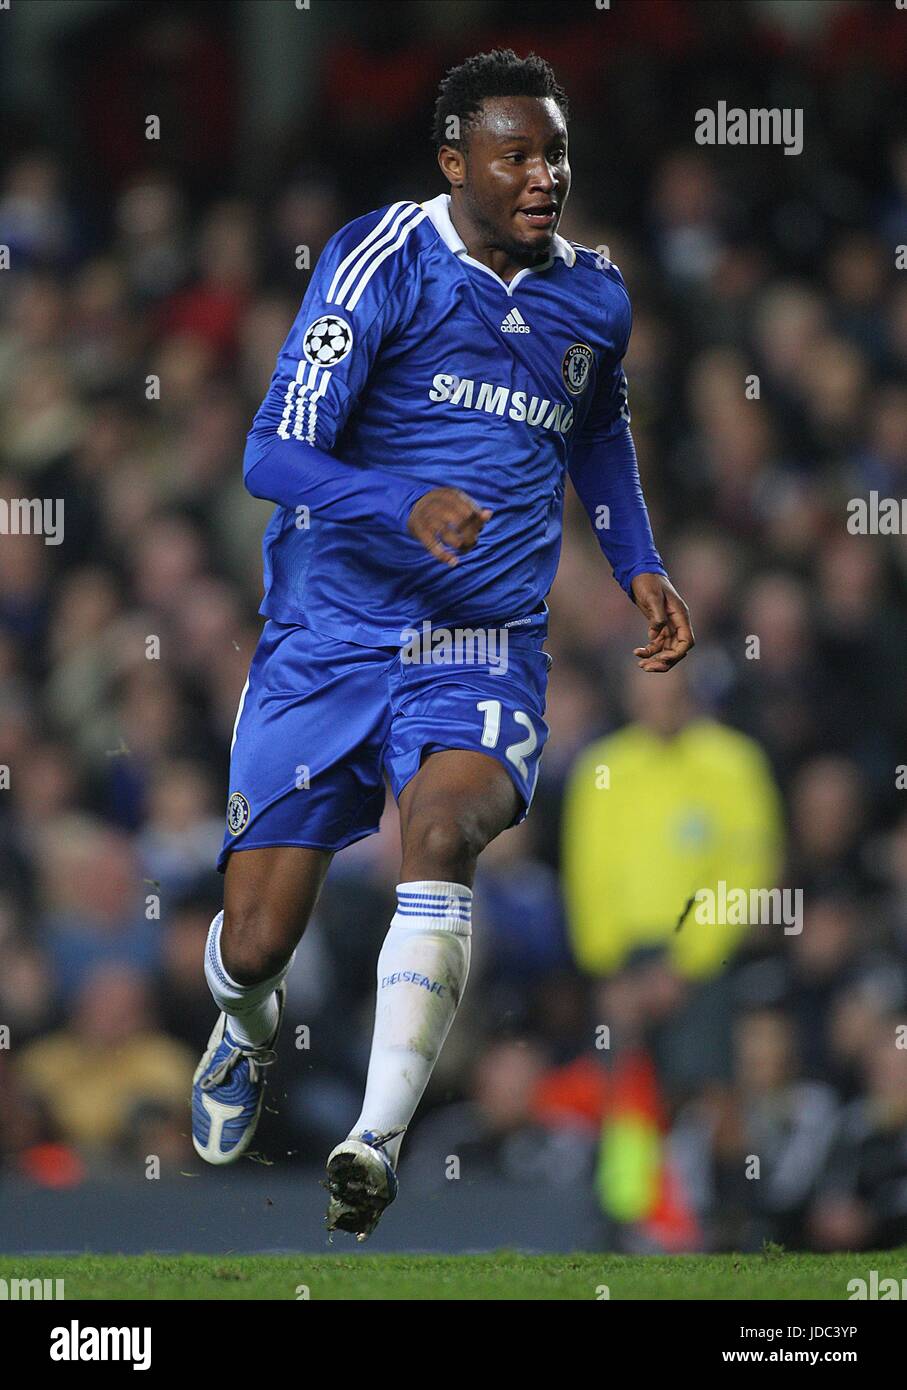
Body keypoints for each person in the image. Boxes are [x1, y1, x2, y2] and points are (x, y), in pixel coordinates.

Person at [191, 48, 693, 1239]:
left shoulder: (596, 295)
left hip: (481, 639)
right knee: (260, 939)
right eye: (516, 153)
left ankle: (372, 1140)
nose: (542, 175)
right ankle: (243, 1025)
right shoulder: (380, 264)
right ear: (453, 160)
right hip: (329, 637)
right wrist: (397, 499)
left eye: (556, 152)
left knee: (444, 827)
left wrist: (637, 563)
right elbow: (270, 456)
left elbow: (598, 435)